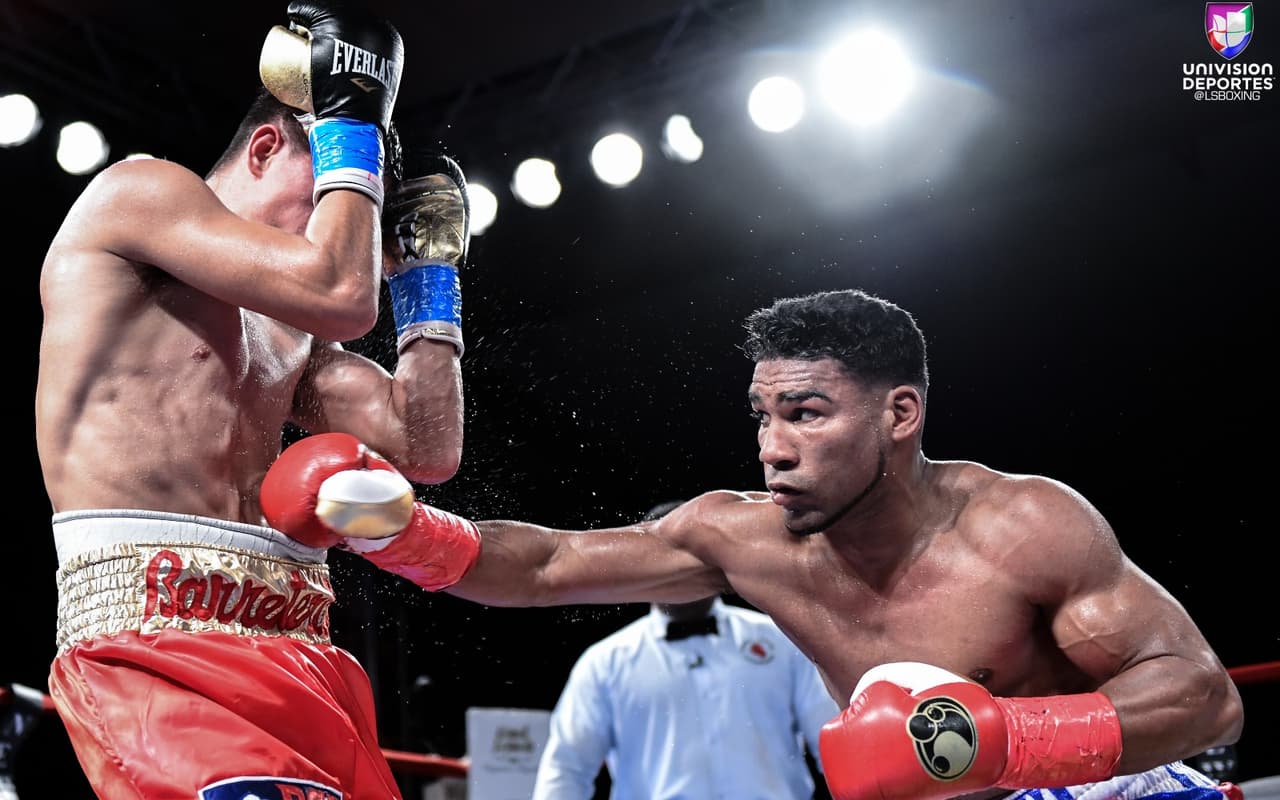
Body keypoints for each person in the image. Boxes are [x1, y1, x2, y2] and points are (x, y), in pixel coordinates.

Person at [264, 289, 1245, 800]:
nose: (772, 446)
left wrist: (993, 741)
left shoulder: (1021, 523)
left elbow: (1203, 695)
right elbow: (550, 562)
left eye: (806, 413)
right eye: (762, 415)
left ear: (898, 412)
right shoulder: (738, 534)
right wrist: (395, 526)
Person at [34, 2, 474, 798]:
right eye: (333, 193)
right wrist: (352, 120)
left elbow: (426, 445)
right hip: (156, 642)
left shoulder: (292, 329)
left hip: (303, 648)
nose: (351, 239)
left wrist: (428, 287)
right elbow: (341, 290)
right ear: (268, 146)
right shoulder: (139, 195)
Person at [532, 500, 839, 800]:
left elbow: (832, 742)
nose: (681, 572)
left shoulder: (781, 638)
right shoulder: (605, 663)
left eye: (693, 559)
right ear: (639, 570)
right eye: (667, 561)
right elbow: (567, 768)